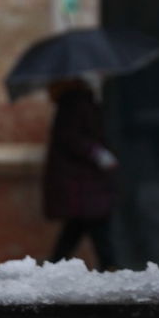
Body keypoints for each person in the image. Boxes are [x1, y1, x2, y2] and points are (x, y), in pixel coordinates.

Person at [43, 77, 119, 269]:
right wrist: (97, 153)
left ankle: (54, 266)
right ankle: (110, 268)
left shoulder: (80, 101)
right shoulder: (75, 102)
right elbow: (71, 138)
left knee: (78, 228)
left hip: (83, 181)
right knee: (92, 225)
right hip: (82, 180)